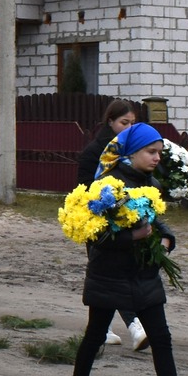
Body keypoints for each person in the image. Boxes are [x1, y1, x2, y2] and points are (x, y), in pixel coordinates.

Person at [61, 123, 188, 376]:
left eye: (159, 153)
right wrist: (130, 237)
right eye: (150, 152)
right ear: (131, 152)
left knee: (160, 338)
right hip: (111, 273)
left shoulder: (147, 180)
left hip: (142, 274)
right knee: (95, 335)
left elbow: (153, 218)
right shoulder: (106, 185)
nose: (155, 158)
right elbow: (95, 237)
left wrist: (166, 239)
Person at [78, 99, 148, 350]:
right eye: (123, 123)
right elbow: (84, 192)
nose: (129, 127)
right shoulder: (94, 152)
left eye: (133, 123)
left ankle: (102, 329)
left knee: (116, 276)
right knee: (107, 275)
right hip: (100, 225)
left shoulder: (134, 150)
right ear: (110, 122)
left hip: (130, 223)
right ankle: (134, 326)